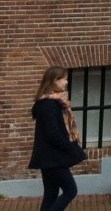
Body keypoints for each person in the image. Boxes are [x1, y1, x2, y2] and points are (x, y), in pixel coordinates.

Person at [28, 66, 88, 211]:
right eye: (64, 79)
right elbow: (53, 134)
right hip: (53, 158)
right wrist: (71, 147)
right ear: (55, 81)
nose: (66, 82)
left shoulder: (54, 103)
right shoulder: (48, 105)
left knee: (50, 195)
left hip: (49, 158)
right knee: (70, 190)